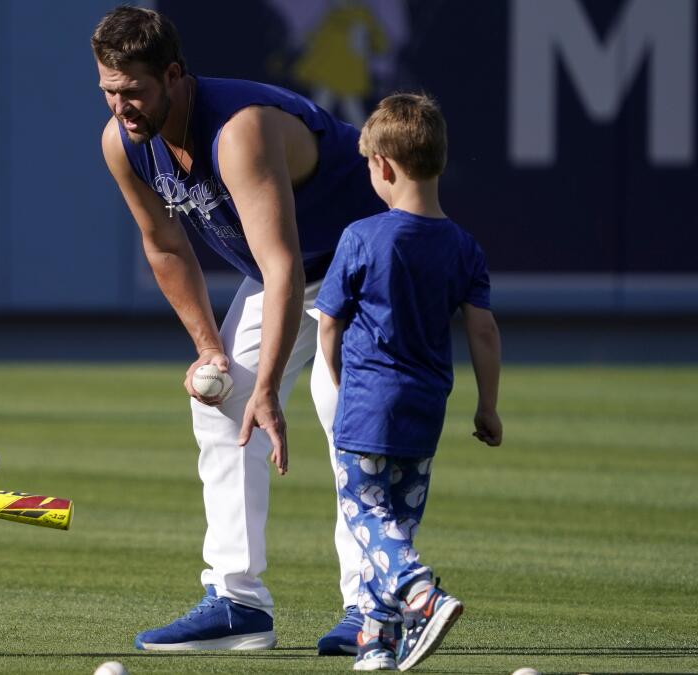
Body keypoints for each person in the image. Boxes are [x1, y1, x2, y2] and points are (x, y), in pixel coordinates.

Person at [92, 6, 386, 652]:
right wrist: (211, 351)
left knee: (347, 416)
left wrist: (270, 388)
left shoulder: (239, 130)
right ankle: (238, 602)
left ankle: (373, 606)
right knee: (221, 403)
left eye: (134, 90)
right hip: (288, 272)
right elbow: (164, 245)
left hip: (365, 264)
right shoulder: (124, 144)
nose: (122, 106)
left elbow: (280, 265)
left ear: (173, 74)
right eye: (109, 91)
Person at [313, 93, 502, 671]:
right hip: (427, 408)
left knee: (367, 517)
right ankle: (377, 644)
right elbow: (484, 333)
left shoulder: (362, 236)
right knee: (397, 517)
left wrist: (342, 384)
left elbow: (327, 326)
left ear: (385, 167)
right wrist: (487, 407)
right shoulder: (464, 247)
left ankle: (422, 593)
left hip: (370, 404)